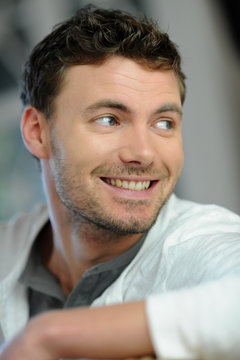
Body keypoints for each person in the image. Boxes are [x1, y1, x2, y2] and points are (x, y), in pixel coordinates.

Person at [0, 4, 240, 360]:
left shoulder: (200, 240)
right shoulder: (8, 250)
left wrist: (47, 336)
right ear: (38, 132)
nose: (144, 153)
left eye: (163, 123)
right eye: (109, 120)